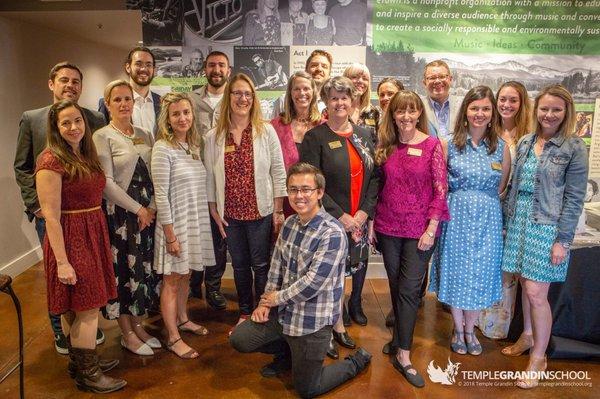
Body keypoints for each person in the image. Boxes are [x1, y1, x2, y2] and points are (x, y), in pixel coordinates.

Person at [229, 162, 372, 399]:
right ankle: (287, 354)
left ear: (319, 193)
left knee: (308, 389)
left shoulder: (332, 232)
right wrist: (265, 303)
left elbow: (313, 283)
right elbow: (276, 266)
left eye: (306, 189)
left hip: (311, 322)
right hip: (284, 313)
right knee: (240, 338)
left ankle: (356, 362)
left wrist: (277, 299)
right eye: (293, 189)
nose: (299, 195)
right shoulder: (289, 224)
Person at [13, 61, 106, 355]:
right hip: (56, 216)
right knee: (63, 281)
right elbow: (23, 166)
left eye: (76, 81)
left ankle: (82, 349)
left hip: (88, 218)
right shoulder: (33, 120)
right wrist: (38, 207)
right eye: (64, 79)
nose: (70, 85)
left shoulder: (93, 118)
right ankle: (64, 339)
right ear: (52, 83)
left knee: (82, 291)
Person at [36, 100, 126, 393]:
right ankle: (90, 374)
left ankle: (79, 363)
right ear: (56, 127)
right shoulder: (50, 160)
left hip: (93, 231)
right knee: (86, 308)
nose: (73, 127)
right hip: (71, 236)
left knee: (77, 308)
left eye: (77, 121)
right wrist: (62, 262)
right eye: (65, 123)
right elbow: (50, 216)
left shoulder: (84, 154)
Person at [501, 84, 588, 389]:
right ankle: (527, 335)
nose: (549, 114)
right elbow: (513, 186)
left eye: (556, 109)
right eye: (545, 108)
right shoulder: (526, 141)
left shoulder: (573, 147)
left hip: (547, 226)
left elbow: (575, 198)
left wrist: (562, 241)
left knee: (537, 293)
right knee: (525, 283)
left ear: (566, 113)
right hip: (519, 220)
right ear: (536, 109)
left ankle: (539, 356)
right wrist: (506, 222)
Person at [371, 90, 449, 387]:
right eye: (400, 111)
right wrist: (372, 224)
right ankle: (398, 338)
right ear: (392, 114)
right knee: (395, 287)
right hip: (388, 228)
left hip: (419, 233)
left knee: (408, 291)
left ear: (419, 114)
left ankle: (404, 354)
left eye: (411, 111)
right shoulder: (386, 146)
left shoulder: (431, 146)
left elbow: (441, 191)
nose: (405, 116)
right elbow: (379, 187)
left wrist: (431, 229)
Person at [429, 86, 511, 357]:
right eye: (474, 108)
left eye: (485, 108)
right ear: (465, 110)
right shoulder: (448, 144)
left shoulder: (501, 148)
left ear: (492, 113)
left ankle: (470, 328)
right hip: (456, 218)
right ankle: (457, 328)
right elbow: (439, 186)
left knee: (481, 274)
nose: (480, 113)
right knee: (456, 272)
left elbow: (501, 187)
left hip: (488, 219)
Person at [300, 76, 379, 358]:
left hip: (359, 221)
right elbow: (311, 185)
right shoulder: (315, 137)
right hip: (328, 221)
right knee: (329, 277)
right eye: (334, 98)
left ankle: (341, 324)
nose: (340, 103)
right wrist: (341, 215)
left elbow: (375, 178)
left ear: (352, 101)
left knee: (352, 271)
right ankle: (328, 329)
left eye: (344, 97)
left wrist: (362, 213)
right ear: (325, 101)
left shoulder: (364, 135)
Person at [204, 73, 287, 333]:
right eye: (237, 93)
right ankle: (244, 311)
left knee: (261, 265)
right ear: (229, 98)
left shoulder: (266, 131)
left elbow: (278, 172)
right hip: (230, 214)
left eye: (248, 94)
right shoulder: (213, 137)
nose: (243, 98)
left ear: (254, 98)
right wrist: (214, 210)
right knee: (239, 265)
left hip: (260, 210)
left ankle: (263, 310)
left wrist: (278, 209)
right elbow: (209, 176)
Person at [93, 80, 161, 356]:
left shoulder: (145, 133)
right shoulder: (102, 136)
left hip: (147, 214)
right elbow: (107, 184)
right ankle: (126, 333)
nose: (123, 104)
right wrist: (138, 209)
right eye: (117, 99)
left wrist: (153, 207)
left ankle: (139, 325)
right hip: (122, 216)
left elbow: (156, 173)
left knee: (142, 271)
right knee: (124, 273)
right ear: (108, 104)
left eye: (128, 99)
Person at [151, 92, 216, 359]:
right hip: (174, 225)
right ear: (167, 118)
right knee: (171, 280)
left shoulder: (192, 146)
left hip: (193, 222)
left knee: (186, 275)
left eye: (186, 112)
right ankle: (172, 336)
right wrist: (170, 236)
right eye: (176, 114)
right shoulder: (162, 149)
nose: (182, 118)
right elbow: (161, 195)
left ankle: (183, 319)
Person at [476, 81, 532, 340]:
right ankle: (479, 320)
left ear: (522, 104)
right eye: (503, 100)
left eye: (513, 100)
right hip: (489, 208)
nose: (506, 105)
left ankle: (502, 326)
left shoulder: (528, 136)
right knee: (488, 265)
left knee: (510, 271)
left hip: (516, 211)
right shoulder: (488, 131)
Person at [188, 51, 232, 309]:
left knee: (219, 235)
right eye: (212, 65)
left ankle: (213, 286)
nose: (216, 69)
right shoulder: (192, 99)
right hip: (194, 176)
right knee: (195, 231)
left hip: (224, 179)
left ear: (228, 69)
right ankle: (193, 283)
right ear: (204, 69)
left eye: (221, 65)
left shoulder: (235, 98)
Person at [271, 71, 323, 216]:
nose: (302, 93)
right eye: (297, 89)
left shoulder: (324, 126)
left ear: (313, 92)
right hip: (284, 204)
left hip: (316, 205)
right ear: (290, 93)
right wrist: (278, 208)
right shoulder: (275, 126)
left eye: (306, 88)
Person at [99, 47, 161, 136]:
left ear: (154, 70)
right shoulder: (108, 104)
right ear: (128, 67)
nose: (143, 69)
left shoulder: (163, 102)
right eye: (138, 64)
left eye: (148, 65)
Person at [271, 49, 332, 118]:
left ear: (329, 74)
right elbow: (273, 127)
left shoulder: (333, 102)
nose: (319, 69)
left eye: (324, 66)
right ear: (306, 70)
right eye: (314, 65)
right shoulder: (283, 100)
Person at [421, 60, 460, 141]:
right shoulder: (417, 107)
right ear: (424, 83)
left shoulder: (463, 105)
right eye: (432, 78)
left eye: (442, 76)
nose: (437, 81)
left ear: (450, 79)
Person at [344, 63, 379, 146]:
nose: (360, 81)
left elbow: (378, 144)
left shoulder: (374, 112)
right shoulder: (334, 110)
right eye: (354, 77)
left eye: (365, 78)